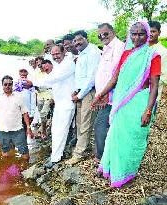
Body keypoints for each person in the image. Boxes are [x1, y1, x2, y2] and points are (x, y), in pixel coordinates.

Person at [93, 21, 161, 188]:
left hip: (139, 102)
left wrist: (148, 110)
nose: (137, 37)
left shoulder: (153, 55)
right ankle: (110, 168)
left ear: (147, 35)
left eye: (141, 34)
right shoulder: (126, 54)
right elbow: (115, 79)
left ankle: (125, 173)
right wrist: (100, 94)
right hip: (121, 103)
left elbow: (154, 86)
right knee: (116, 136)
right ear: (129, 35)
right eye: (133, 34)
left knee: (132, 140)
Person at [66, 30, 101, 165]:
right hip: (80, 92)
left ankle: (79, 154)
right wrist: (76, 91)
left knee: (86, 123)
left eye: (79, 39)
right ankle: (83, 148)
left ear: (86, 39)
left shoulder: (93, 53)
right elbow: (80, 76)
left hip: (89, 92)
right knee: (80, 122)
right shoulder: (81, 54)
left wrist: (80, 94)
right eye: (74, 41)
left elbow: (92, 78)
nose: (77, 43)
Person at [37, 45, 75, 168]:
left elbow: (52, 79)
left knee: (61, 131)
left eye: (57, 53)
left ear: (64, 52)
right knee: (55, 130)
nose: (55, 56)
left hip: (67, 104)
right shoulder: (58, 66)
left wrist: (33, 83)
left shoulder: (68, 64)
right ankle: (56, 154)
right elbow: (49, 80)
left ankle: (56, 158)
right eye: (53, 54)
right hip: (59, 104)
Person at [93, 23, 124, 163]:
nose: (102, 37)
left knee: (100, 126)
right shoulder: (106, 48)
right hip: (104, 94)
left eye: (105, 34)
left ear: (113, 32)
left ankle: (102, 158)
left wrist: (104, 94)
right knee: (108, 127)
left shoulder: (119, 47)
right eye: (99, 35)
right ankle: (108, 157)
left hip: (111, 96)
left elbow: (116, 75)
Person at [0, 75, 34, 160]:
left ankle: (23, 171)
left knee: (25, 155)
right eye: (5, 84)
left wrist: (28, 128)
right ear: (2, 85)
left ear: (12, 85)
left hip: (18, 131)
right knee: (5, 155)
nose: (7, 86)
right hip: (2, 131)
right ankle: (10, 171)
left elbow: (25, 114)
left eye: (9, 84)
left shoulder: (19, 97)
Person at [149, 20, 167, 101]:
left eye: (153, 31)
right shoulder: (142, 49)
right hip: (138, 93)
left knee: (149, 113)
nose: (150, 34)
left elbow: (164, 77)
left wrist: (148, 82)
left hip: (153, 95)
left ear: (159, 33)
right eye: (148, 31)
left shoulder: (162, 52)